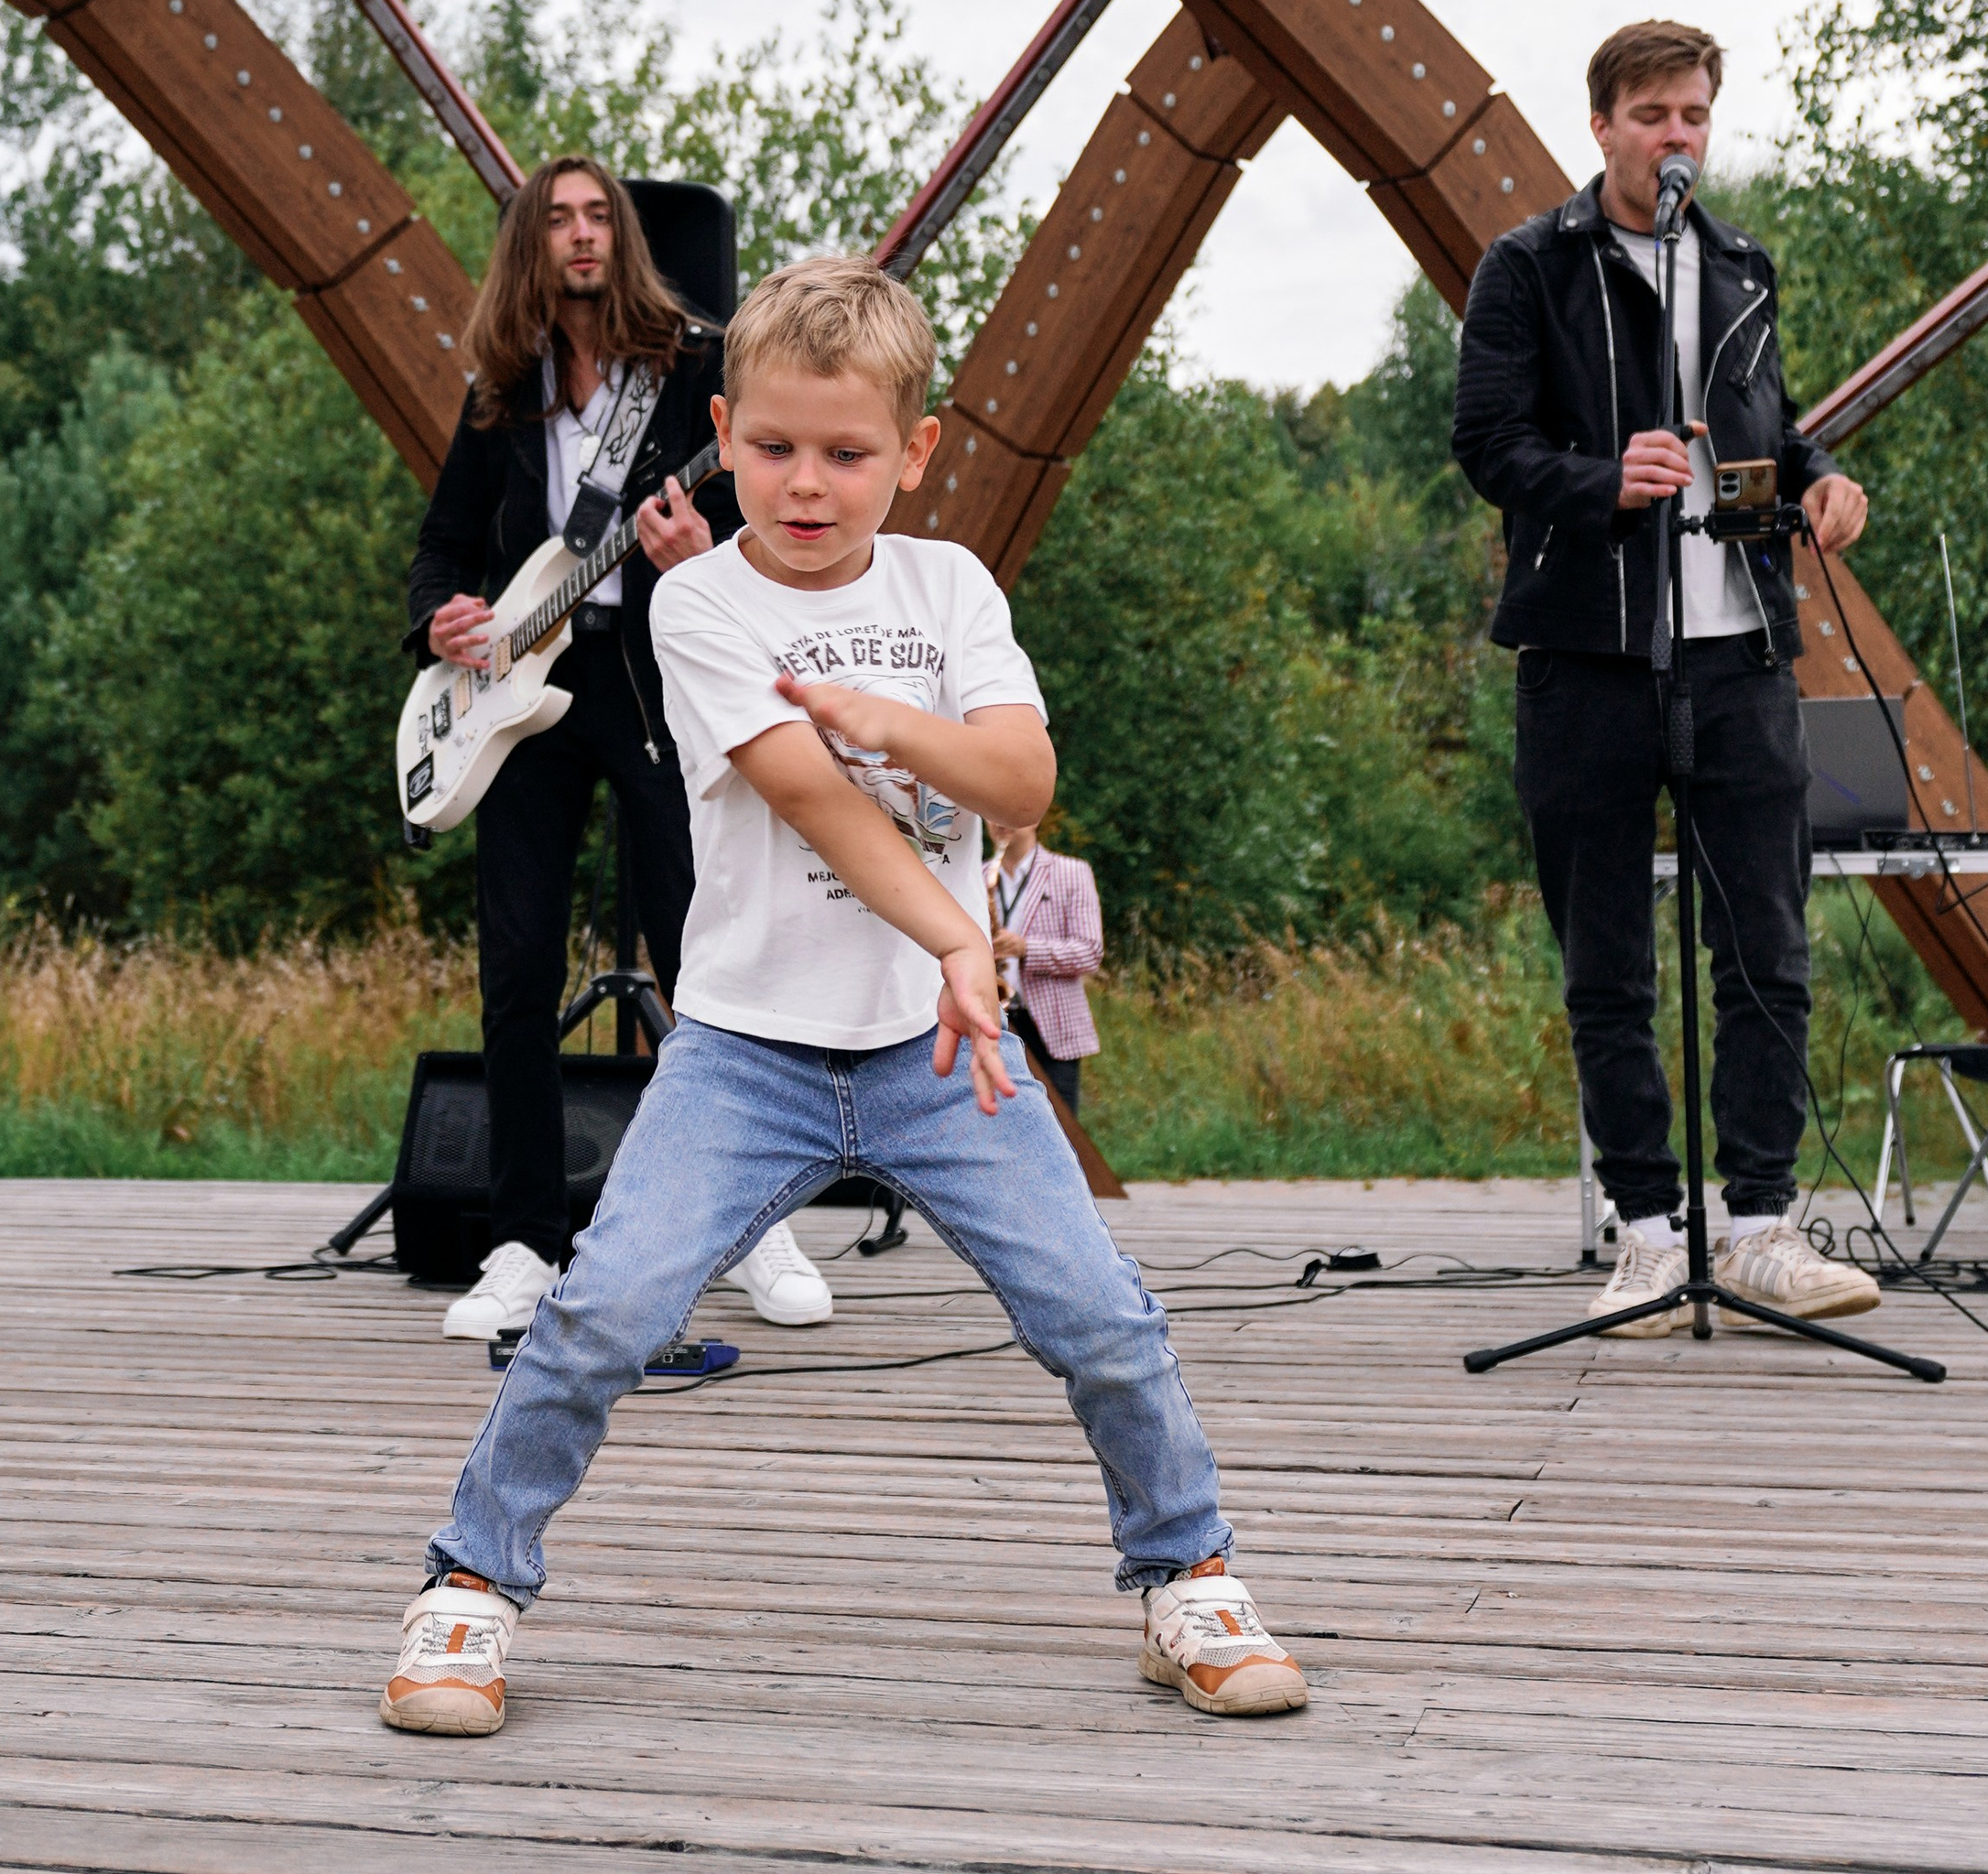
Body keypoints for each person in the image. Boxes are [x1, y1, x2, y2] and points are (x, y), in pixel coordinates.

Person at [379, 253, 1307, 1736]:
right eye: (774, 447)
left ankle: (1187, 1574)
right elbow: (812, 797)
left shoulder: (952, 586)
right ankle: (468, 1588)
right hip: (747, 1047)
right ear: (727, 427)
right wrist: (956, 930)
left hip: (941, 1058)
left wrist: (897, 722)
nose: (806, 484)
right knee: (602, 1312)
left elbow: (1024, 774)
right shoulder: (701, 607)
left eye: (848, 453)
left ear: (913, 452)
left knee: (1103, 1318)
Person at [1451, 19, 1882, 1338]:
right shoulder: (1530, 264)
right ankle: (1645, 1232)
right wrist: (1598, 482)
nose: (1677, 135)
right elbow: (1486, 439)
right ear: (1602, 126)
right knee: (1609, 961)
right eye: (1652, 113)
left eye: (1694, 112)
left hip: (1741, 647)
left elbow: (1771, 428)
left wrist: (1818, 482)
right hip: (1589, 652)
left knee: (1766, 944)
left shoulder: (1742, 263)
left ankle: (1756, 1226)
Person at [406, 155, 831, 1339]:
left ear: (623, 238)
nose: (583, 235)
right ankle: (524, 1242)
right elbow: (439, 549)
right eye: (560, 219)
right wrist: (437, 612)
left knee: (707, 948)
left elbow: (772, 516)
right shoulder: (501, 387)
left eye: (599, 216)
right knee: (517, 964)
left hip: (655, 680)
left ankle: (752, 1221)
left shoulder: (698, 368)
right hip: (520, 701)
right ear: (532, 247)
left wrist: (706, 545)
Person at [985, 818, 1103, 1112]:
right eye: (990, 812)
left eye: (1007, 812)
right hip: (995, 1024)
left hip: (1051, 1030)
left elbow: (1090, 951)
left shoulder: (1072, 873)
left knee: (1062, 1131)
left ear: (1033, 817)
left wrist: (1026, 949)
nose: (999, 820)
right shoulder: (977, 876)